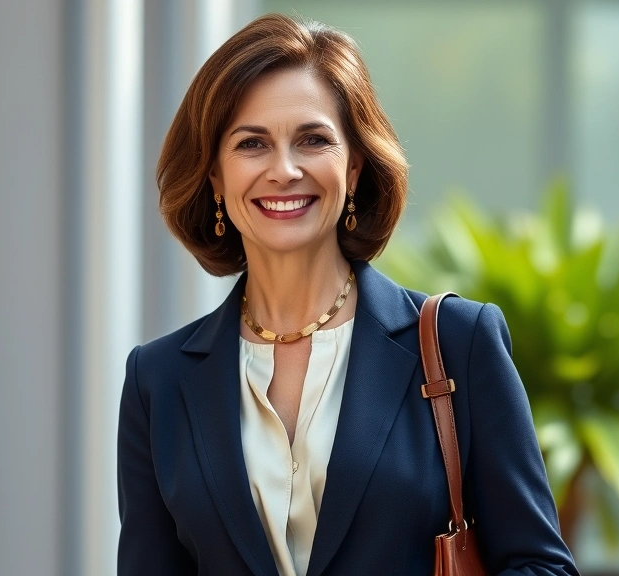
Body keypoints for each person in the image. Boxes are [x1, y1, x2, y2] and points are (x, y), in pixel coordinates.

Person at [117, 13, 579, 576]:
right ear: (215, 175)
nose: (284, 170)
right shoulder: (157, 381)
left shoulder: (460, 344)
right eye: (251, 144)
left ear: (354, 166)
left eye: (313, 140)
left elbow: (542, 566)